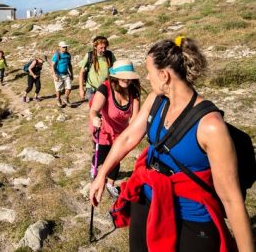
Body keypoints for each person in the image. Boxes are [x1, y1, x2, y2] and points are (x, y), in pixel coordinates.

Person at [89, 37, 253, 252]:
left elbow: (232, 201)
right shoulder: (157, 100)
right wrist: (102, 175)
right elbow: (129, 136)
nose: (146, 77)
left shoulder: (211, 126)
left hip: (191, 217)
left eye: (149, 71)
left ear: (164, 75)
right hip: (147, 199)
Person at [89, 59, 141, 198]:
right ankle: (94, 166)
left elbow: (135, 119)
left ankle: (110, 185)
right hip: (103, 129)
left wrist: (132, 136)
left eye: (129, 76)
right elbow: (94, 110)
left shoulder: (134, 92)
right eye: (123, 76)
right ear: (115, 76)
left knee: (116, 159)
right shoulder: (105, 88)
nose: (126, 79)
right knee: (101, 156)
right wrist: (94, 118)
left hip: (120, 133)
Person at [79, 36, 116, 102]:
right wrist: (81, 89)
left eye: (105, 47)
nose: (104, 50)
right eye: (101, 48)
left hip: (105, 86)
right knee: (94, 109)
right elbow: (82, 72)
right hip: (91, 88)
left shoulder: (110, 55)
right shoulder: (89, 55)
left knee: (103, 109)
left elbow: (114, 69)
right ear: (95, 47)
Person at [51, 41, 73, 107]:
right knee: (58, 89)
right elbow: (52, 66)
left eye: (66, 47)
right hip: (58, 74)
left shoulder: (68, 55)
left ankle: (66, 98)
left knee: (69, 87)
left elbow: (69, 65)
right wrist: (54, 75)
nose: (65, 48)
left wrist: (71, 74)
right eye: (63, 47)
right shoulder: (57, 55)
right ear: (60, 47)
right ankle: (58, 99)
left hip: (66, 74)